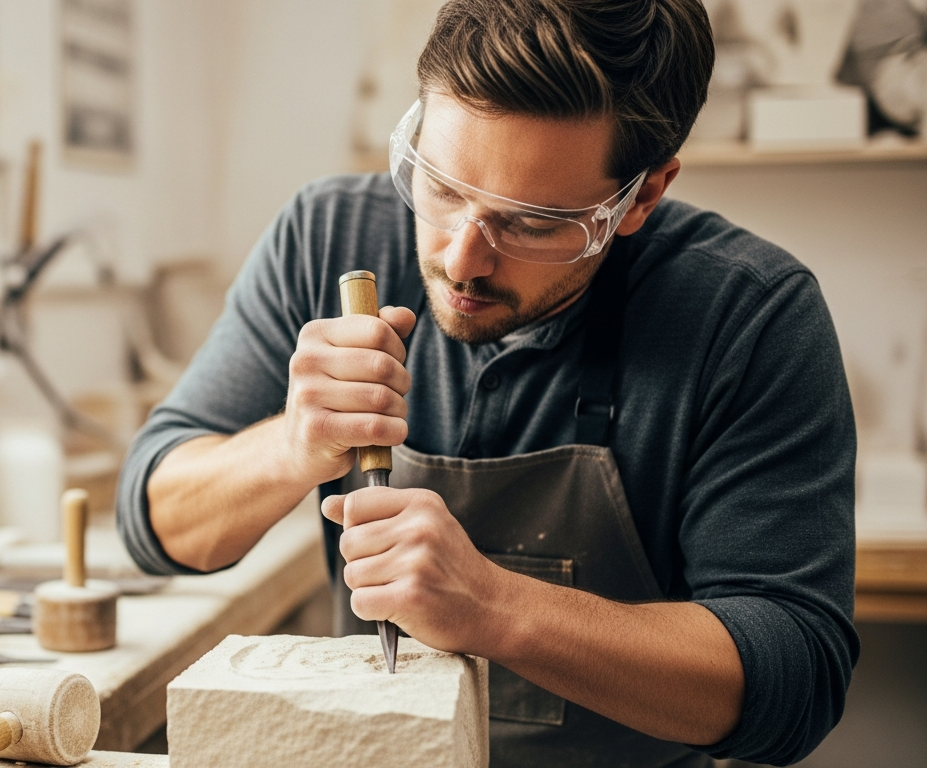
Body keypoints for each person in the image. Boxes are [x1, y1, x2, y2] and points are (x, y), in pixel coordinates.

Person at [116, 1, 858, 765]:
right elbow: (155, 525)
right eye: (439, 185)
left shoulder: (748, 314)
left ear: (640, 196)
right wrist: (290, 448)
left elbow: (795, 677)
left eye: (533, 223)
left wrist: (495, 607)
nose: (463, 259)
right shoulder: (326, 238)